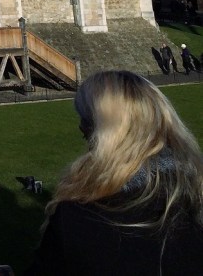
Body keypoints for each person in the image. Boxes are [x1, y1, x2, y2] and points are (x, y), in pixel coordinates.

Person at [25, 70, 203, 274]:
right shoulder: (194, 195)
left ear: (103, 131)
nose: (80, 127)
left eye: (86, 120)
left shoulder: (78, 220)